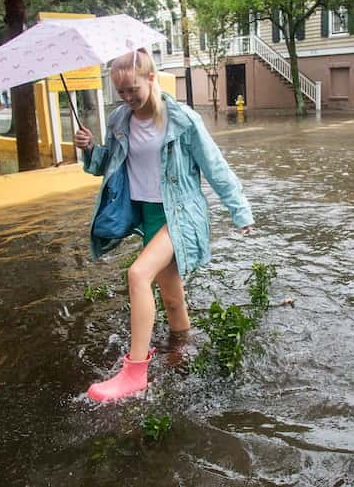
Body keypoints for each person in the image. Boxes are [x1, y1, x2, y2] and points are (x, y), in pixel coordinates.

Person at [74, 48, 254, 402]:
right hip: (149, 216)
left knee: (138, 275)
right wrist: (91, 147)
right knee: (172, 299)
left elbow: (215, 167)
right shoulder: (119, 121)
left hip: (181, 213)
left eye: (133, 90)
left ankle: (134, 373)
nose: (127, 98)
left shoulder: (182, 120)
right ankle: (182, 352)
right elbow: (108, 166)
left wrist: (240, 211)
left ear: (151, 79)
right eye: (120, 92)